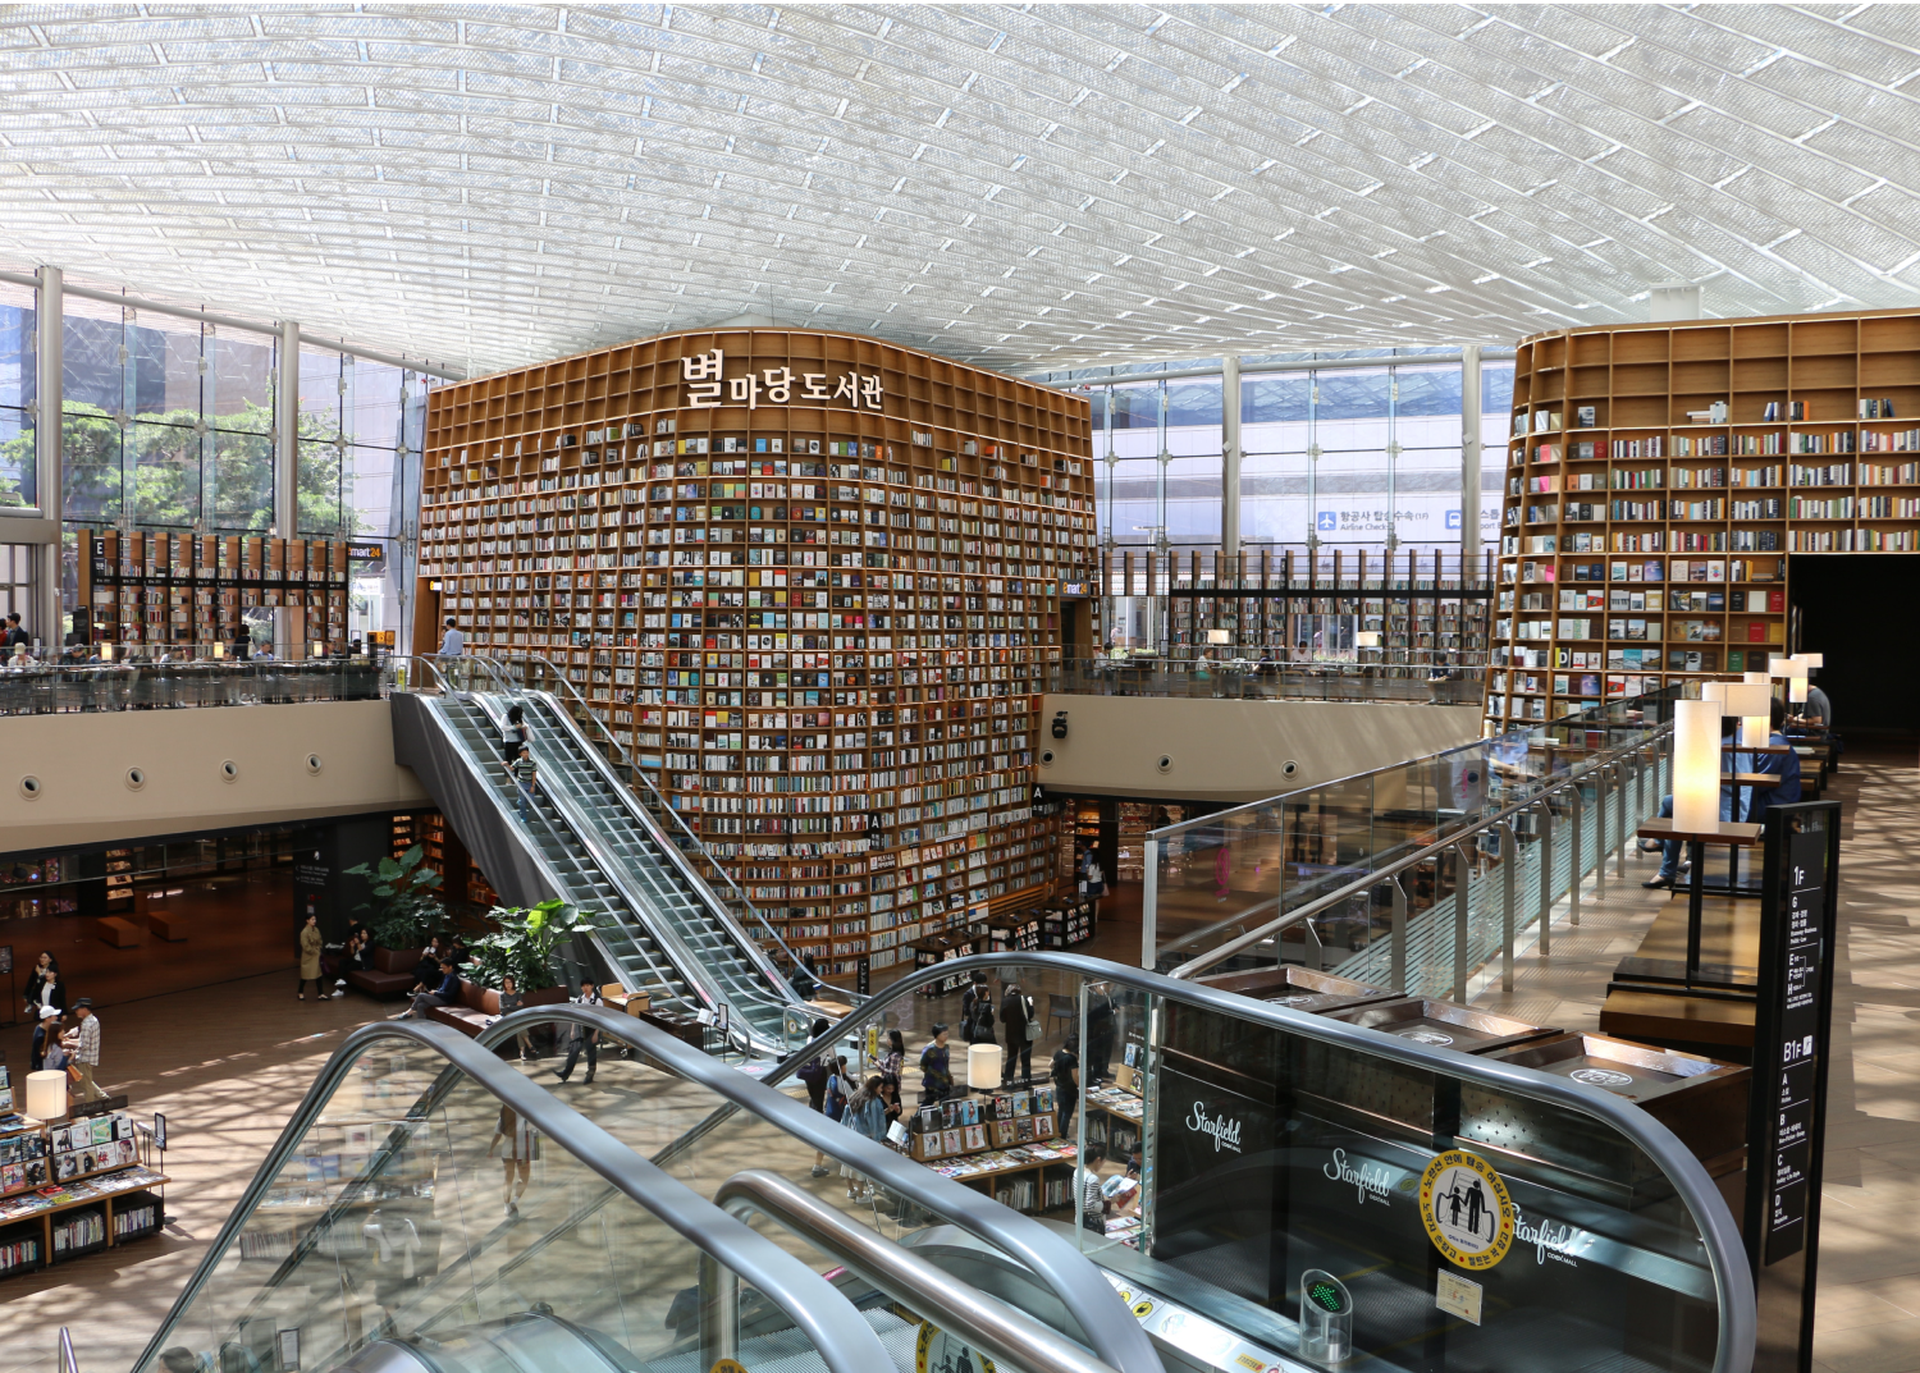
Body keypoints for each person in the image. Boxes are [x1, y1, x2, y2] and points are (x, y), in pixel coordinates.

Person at [1741, 696, 1804, 825]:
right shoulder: (1773, 743)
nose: (1741, 724)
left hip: (1772, 809)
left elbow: (1756, 785)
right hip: (1773, 804)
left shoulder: (1774, 747)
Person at [795, 1018, 835, 1177]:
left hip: (808, 1073)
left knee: (813, 1095)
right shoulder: (827, 1041)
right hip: (819, 1073)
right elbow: (832, 1056)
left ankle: (811, 1117)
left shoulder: (810, 1039)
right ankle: (817, 1122)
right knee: (819, 1097)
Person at [839, 1074, 889, 1201]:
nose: (881, 1090)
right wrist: (877, 1138)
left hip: (850, 1136)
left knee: (848, 1165)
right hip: (864, 1139)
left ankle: (851, 1191)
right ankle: (861, 1196)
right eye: (880, 1087)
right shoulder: (873, 1102)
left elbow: (845, 1115)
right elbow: (873, 1123)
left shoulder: (856, 1096)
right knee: (861, 1169)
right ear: (875, 1087)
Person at [488, 1103, 535, 1218]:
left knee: (508, 1178)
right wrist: (534, 1151)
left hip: (507, 1150)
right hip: (522, 1148)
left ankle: (506, 1205)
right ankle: (515, 1200)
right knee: (524, 1178)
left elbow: (497, 1135)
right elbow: (533, 1132)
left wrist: (491, 1150)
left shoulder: (504, 1116)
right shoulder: (527, 1115)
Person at [553, 987, 602, 1084]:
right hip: (580, 1028)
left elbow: (600, 1018)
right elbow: (574, 1016)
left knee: (591, 1053)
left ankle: (590, 1075)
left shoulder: (597, 1000)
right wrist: (572, 1030)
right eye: (583, 986)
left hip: (591, 1029)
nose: (585, 988)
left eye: (587, 985)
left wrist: (596, 1033)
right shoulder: (579, 999)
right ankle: (565, 1073)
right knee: (574, 1050)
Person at [64, 999, 104, 1103]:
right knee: (87, 1081)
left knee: (86, 1085)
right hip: (91, 1057)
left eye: (78, 1009)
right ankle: (104, 1098)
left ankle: (90, 1106)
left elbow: (84, 1045)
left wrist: (67, 1044)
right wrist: (70, 1039)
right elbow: (84, 1040)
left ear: (85, 1009)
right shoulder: (93, 1020)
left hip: (85, 1058)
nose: (76, 1011)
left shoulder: (86, 1025)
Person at [1000, 978, 1035, 1087]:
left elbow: (1002, 1019)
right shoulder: (1024, 999)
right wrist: (1031, 1004)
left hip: (1011, 1035)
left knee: (1011, 1058)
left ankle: (1008, 1081)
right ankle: (1026, 1082)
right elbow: (1030, 1015)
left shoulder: (1005, 1001)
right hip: (1025, 1035)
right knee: (1025, 1060)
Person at [1073, 1141, 1110, 1235]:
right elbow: (1091, 1205)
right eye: (1103, 1162)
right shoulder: (1093, 1179)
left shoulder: (1077, 1171)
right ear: (1098, 1160)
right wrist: (1110, 1202)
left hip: (1080, 1219)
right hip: (1093, 1224)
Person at [498, 973, 533, 1061]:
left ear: (513, 983)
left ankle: (522, 1052)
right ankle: (529, 1044)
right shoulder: (502, 995)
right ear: (503, 984)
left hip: (517, 1016)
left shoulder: (517, 994)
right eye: (506, 983)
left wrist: (509, 1006)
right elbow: (502, 1009)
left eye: (509, 982)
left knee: (518, 1026)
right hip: (508, 1016)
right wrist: (514, 1006)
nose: (508, 984)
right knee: (517, 1021)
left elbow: (521, 1007)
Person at [1051, 1033, 1080, 1133]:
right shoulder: (1072, 1059)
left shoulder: (1058, 1053)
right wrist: (1082, 1088)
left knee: (1061, 1110)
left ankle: (1057, 1132)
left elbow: (1050, 1064)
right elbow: (1075, 1077)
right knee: (1067, 1114)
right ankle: (1063, 1134)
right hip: (1069, 1090)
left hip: (1059, 1087)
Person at [919, 1024, 953, 1107]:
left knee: (945, 1105)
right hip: (932, 1083)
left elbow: (945, 1064)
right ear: (937, 1035)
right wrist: (933, 1073)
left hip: (944, 1082)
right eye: (944, 1034)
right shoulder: (929, 1049)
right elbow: (923, 1065)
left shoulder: (946, 1048)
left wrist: (949, 1077)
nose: (946, 1036)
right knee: (928, 1103)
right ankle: (917, 1118)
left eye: (947, 1034)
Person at [960, 971, 996, 1047]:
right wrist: (977, 1011)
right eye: (981, 984)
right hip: (974, 1028)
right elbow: (966, 1011)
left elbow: (990, 1004)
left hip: (985, 1027)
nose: (983, 986)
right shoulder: (968, 994)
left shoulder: (987, 992)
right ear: (975, 983)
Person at [296, 912, 325, 1001]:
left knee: (318, 975)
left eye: (315, 919)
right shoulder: (304, 932)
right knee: (305, 976)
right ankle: (300, 992)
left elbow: (320, 940)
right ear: (307, 920)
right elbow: (305, 945)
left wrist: (319, 948)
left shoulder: (316, 930)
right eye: (312, 919)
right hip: (308, 957)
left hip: (316, 955)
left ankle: (321, 993)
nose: (314, 921)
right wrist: (313, 951)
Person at [23, 951, 59, 1021]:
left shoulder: (52, 968)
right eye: (41, 957)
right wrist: (25, 994)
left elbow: (45, 982)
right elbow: (31, 981)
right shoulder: (37, 968)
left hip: (49, 991)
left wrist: (40, 973)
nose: (42, 959)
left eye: (45, 958)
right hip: (38, 992)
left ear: (50, 960)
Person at [509, 743, 538, 821]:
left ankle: (520, 802)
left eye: (527, 752)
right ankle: (523, 816)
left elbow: (534, 775)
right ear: (520, 754)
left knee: (530, 799)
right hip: (521, 782)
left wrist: (533, 785)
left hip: (529, 783)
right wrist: (506, 765)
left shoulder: (532, 762)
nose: (526, 754)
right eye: (524, 753)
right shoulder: (518, 761)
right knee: (522, 802)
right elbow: (511, 768)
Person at [30, 1005, 61, 1073]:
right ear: (47, 1018)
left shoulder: (41, 1028)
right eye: (54, 1016)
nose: (56, 1017)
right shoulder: (40, 1036)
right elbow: (40, 1054)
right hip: (43, 1068)